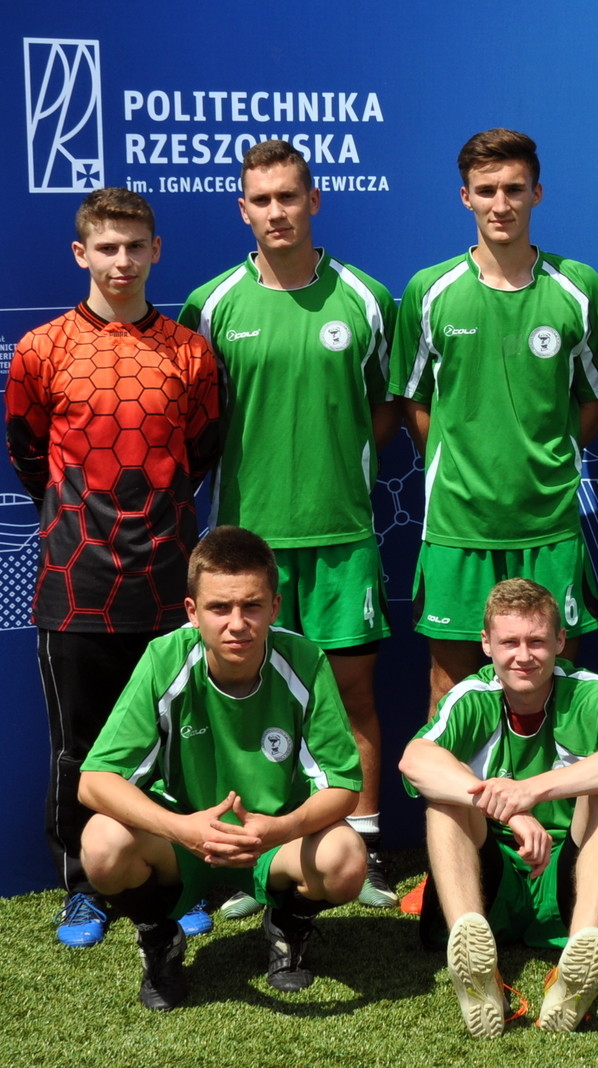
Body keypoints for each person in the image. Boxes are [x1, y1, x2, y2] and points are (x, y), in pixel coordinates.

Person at [179, 139, 400, 911]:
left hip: (341, 538)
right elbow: (198, 422)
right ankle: (257, 859)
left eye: (289, 196)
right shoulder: (211, 305)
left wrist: (337, 472)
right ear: (243, 210)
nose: (277, 211)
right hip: (247, 550)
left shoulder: (366, 298)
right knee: (251, 701)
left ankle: (363, 846)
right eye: (262, 200)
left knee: (351, 697)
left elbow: (384, 409)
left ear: (314, 201)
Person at [4, 187, 222, 948]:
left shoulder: (191, 352)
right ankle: (83, 888)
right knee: (80, 745)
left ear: (156, 251)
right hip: (76, 583)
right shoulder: (42, 349)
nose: (121, 260)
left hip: (168, 581)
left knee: (177, 739)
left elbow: (200, 453)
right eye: (107, 247)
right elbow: (28, 453)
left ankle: (181, 877)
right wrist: (81, 518)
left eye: (135, 246)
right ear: (81, 254)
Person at [77, 526, 366, 1010]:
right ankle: (158, 935)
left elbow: (344, 786)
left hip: (272, 838)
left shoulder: (304, 660)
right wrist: (181, 828)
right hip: (184, 837)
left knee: (346, 860)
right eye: (219, 608)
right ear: (193, 612)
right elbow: (94, 781)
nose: (237, 624)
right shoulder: (165, 658)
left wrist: (280, 828)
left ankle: (288, 925)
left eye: (252, 606)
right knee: (102, 844)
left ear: (275, 607)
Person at [389, 129, 598, 720]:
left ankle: (556, 787)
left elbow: (594, 401)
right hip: (458, 527)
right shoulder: (429, 291)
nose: (501, 204)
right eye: (486, 190)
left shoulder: (578, 287)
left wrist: (546, 457)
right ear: (466, 197)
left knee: (560, 688)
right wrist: (464, 461)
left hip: (550, 527)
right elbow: (415, 403)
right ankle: (459, 789)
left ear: (537, 193)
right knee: (451, 691)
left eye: (514, 189)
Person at [399, 578, 598, 1036]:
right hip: (491, 878)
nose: (524, 655)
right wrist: (512, 812)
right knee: (444, 796)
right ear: (486, 644)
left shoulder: (588, 692)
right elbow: (414, 761)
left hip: (567, 879)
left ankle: (577, 959)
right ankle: (478, 968)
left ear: (560, 641)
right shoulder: (472, 695)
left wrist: (532, 791)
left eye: (537, 641)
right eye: (510, 642)